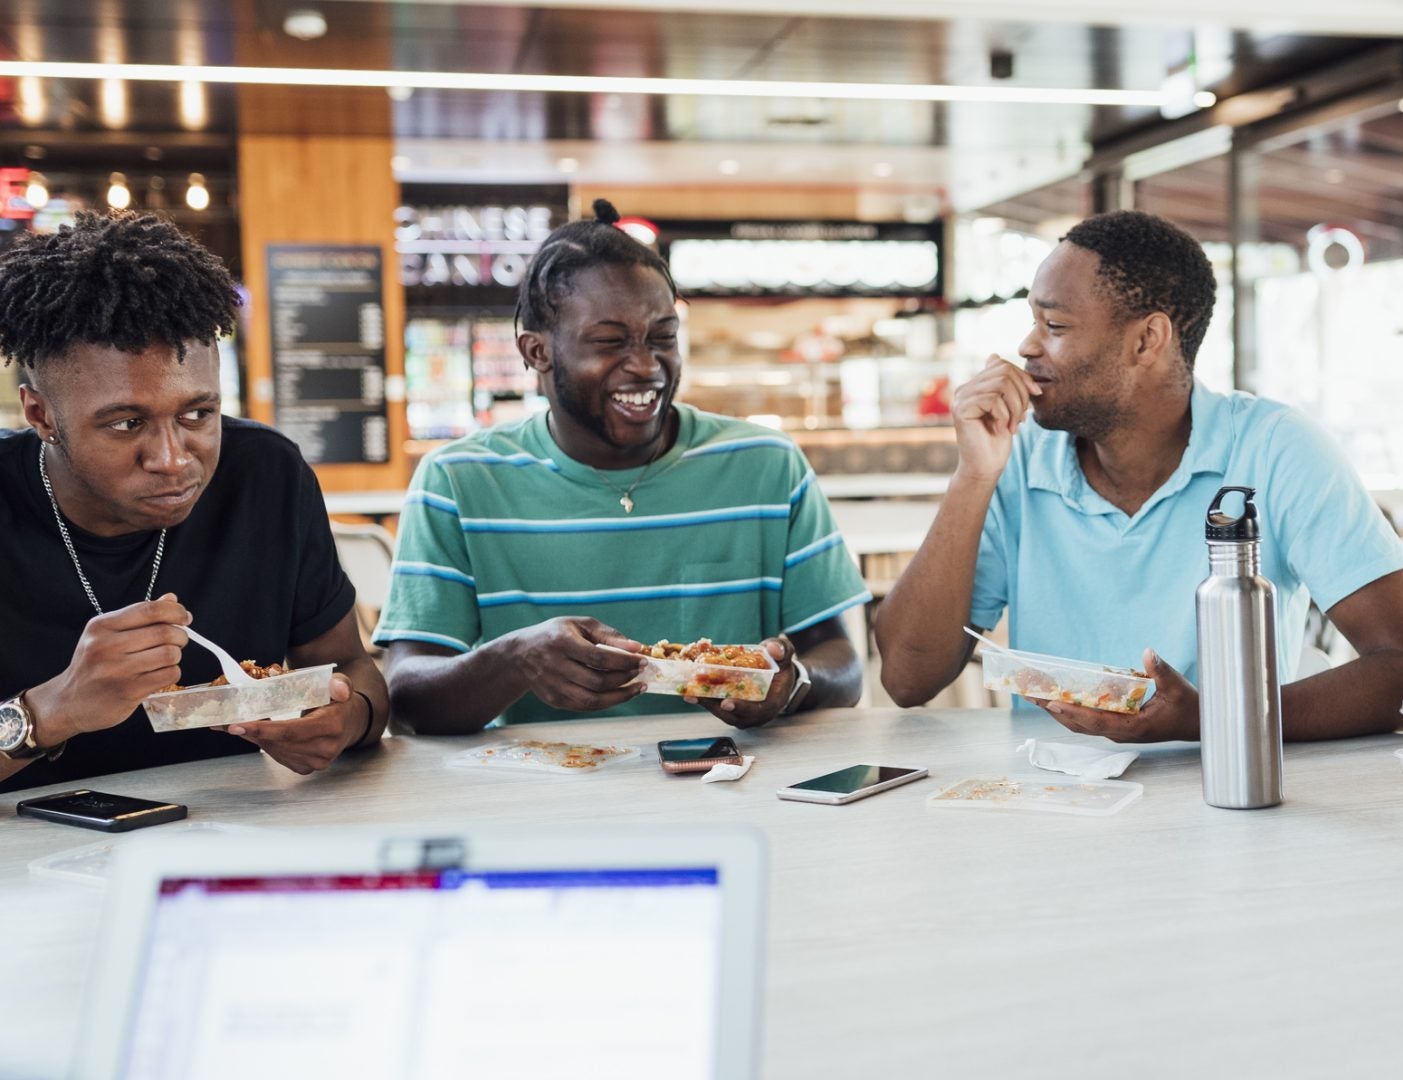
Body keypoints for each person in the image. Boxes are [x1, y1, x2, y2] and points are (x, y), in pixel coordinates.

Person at [875, 210, 1403, 741]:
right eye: (1033, 322)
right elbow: (905, 679)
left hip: (1232, 798)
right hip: (1046, 803)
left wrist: (1214, 717)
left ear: (1147, 340)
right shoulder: (1017, 458)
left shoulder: (1276, 450)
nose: (1027, 346)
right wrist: (972, 477)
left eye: (1055, 325)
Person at [378, 200, 868, 733]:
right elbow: (404, 697)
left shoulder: (767, 465)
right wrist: (515, 660)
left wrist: (790, 685)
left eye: (662, 337)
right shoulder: (458, 481)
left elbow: (841, 663)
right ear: (537, 351)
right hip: (537, 798)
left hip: (739, 783)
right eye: (609, 342)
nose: (645, 365)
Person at [0, 211, 388, 792]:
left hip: (225, 838)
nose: (174, 457)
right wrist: (53, 710)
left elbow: (355, 670)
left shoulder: (265, 475)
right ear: (41, 415)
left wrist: (346, 719)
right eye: (127, 423)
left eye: (197, 415)